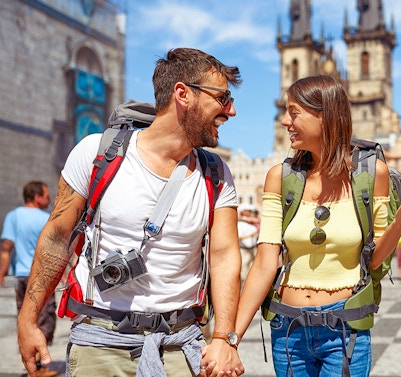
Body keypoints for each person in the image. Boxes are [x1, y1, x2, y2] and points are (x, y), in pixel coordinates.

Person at [17, 48, 244, 377]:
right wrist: (28, 320)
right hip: (99, 345)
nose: (231, 110)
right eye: (222, 98)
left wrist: (224, 338)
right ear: (183, 94)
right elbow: (56, 236)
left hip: (181, 346)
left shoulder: (216, 173)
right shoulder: (97, 153)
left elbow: (224, 254)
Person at [231, 75, 401, 377]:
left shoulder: (371, 175)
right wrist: (231, 339)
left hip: (346, 330)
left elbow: (374, 260)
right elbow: (264, 265)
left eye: (294, 113)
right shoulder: (281, 177)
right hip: (287, 330)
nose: (284, 122)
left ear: (324, 114)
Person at [1, 181, 57, 377]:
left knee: (25, 318)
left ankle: (31, 362)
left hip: (21, 276)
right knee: (45, 318)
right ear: (37, 198)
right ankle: (40, 366)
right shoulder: (47, 218)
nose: (49, 200)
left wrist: (1, 274)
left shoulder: (12, 216)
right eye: (47, 196)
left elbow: (6, 248)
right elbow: (56, 251)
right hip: (42, 277)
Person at [238, 204, 259, 280]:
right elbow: (238, 237)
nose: (250, 212)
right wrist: (251, 235)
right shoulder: (240, 224)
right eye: (248, 210)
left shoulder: (251, 222)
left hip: (253, 249)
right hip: (244, 250)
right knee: (244, 270)